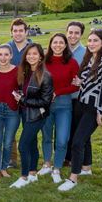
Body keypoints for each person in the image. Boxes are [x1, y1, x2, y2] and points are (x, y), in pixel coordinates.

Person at [58, 31, 102, 191]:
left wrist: (100, 110)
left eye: (95, 41)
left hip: (93, 107)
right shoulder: (90, 58)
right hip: (81, 104)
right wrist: (80, 82)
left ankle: (73, 179)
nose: (91, 43)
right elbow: (89, 82)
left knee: (77, 142)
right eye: (89, 40)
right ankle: (86, 169)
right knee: (85, 139)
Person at [9, 43, 53, 188]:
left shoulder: (46, 76)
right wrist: (22, 95)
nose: (31, 56)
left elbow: (45, 102)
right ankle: (33, 174)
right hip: (25, 113)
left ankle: (24, 177)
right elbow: (29, 91)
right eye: (29, 53)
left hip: (37, 115)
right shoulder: (26, 72)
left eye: (35, 53)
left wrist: (23, 99)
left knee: (23, 146)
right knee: (32, 144)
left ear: (41, 56)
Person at [39, 33, 79, 183]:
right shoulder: (43, 62)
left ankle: (57, 169)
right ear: (50, 44)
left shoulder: (72, 63)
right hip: (46, 105)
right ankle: (47, 165)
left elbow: (76, 86)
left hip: (64, 104)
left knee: (62, 139)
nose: (58, 45)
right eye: (55, 42)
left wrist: (58, 92)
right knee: (47, 136)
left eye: (61, 43)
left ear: (65, 45)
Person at [0, 44, 19, 179]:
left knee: (8, 143)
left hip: (12, 110)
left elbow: (23, 89)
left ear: (11, 56)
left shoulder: (18, 71)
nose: (3, 57)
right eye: (0, 54)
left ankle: (4, 168)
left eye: (6, 54)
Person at [6, 18, 33, 169]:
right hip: (11, 94)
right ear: (11, 32)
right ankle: (12, 158)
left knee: (28, 126)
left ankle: (28, 156)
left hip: (29, 93)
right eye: (15, 31)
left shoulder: (32, 48)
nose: (18, 33)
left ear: (26, 32)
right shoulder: (7, 48)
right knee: (11, 129)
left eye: (21, 30)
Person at [64, 21, 87, 167]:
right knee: (63, 129)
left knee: (76, 129)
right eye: (70, 32)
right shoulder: (59, 49)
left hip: (79, 98)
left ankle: (73, 158)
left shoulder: (86, 53)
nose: (73, 36)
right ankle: (64, 157)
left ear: (81, 35)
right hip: (62, 97)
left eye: (76, 33)